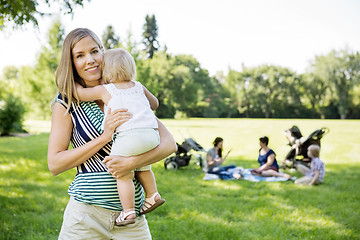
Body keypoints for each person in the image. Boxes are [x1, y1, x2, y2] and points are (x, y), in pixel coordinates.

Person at [47, 28, 177, 239]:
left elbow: (169, 144)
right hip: (85, 217)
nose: (90, 60)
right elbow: (55, 164)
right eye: (80, 55)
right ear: (71, 63)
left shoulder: (128, 94)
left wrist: (130, 163)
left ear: (103, 53)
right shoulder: (67, 102)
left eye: (94, 51)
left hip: (130, 218)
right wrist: (104, 137)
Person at [75, 48, 165, 226]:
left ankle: (128, 211)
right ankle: (152, 194)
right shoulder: (138, 86)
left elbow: (80, 94)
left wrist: (73, 84)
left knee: (123, 174)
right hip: (151, 135)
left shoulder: (106, 90)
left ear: (105, 70)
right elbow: (154, 103)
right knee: (143, 166)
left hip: (128, 136)